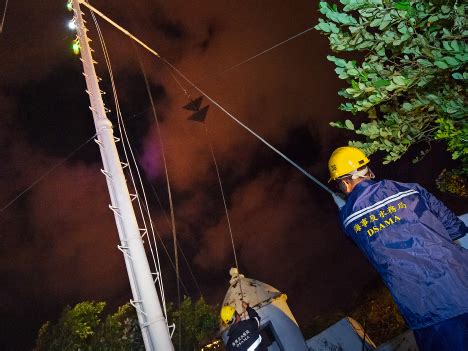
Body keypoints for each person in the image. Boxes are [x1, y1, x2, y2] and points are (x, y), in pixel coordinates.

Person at [328, 146, 468, 351]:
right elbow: (454, 228)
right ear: (366, 169)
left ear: (345, 182)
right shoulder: (411, 189)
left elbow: (357, 239)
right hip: (461, 283)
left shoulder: (348, 219)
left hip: (425, 310)